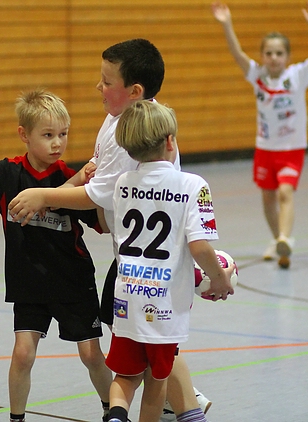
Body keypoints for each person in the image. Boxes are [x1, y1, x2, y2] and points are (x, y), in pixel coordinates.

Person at [8, 39, 214, 421]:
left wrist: (44, 195)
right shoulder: (125, 120)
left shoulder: (128, 132)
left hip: (146, 260)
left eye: (106, 82)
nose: (98, 87)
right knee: (146, 333)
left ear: (134, 91)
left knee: (147, 339)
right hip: (136, 253)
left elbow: (97, 193)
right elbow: (97, 172)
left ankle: (184, 402)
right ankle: (181, 399)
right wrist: (69, 187)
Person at [0, 89, 113, 422]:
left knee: (91, 355)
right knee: (23, 354)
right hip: (28, 282)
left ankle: (112, 410)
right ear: (24, 135)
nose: (57, 143)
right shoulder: (6, 174)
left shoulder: (69, 179)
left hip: (73, 281)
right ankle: (17, 418)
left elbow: (102, 224)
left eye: (63, 134)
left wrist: (99, 190)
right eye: (48, 135)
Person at [105, 100, 234, 422]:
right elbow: (200, 247)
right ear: (170, 141)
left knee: (125, 376)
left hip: (127, 296)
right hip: (163, 304)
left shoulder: (122, 183)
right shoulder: (192, 185)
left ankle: (116, 416)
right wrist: (218, 278)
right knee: (155, 381)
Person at [211, 0, 308, 269]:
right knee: (268, 197)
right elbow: (237, 54)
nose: (274, 58)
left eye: (279, 53)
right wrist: (227, 24)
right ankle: (278, 240)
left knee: (285, 191)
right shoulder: (258, 76)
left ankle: (285, 236)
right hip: (265, 147)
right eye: (269, 53)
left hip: (291, 148)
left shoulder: (298, 75)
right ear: (263, 56)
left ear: (287, 56)